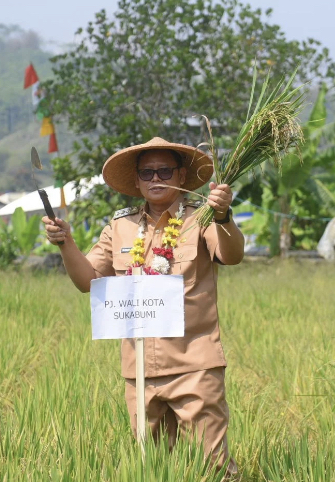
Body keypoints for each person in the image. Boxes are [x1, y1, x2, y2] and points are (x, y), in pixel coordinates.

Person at [43, 137, 244, 476]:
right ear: (136, 181)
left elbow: (232, 255)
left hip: (194, 364)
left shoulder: (202, 219)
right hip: (138, 372)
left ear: (180, 176)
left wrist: (223, 216)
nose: (156, 179)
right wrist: (66, 243)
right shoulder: (120, 227)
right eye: (147, 173)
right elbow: (87, 279)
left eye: (164, 170)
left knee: (212, 465)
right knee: (152, 468)